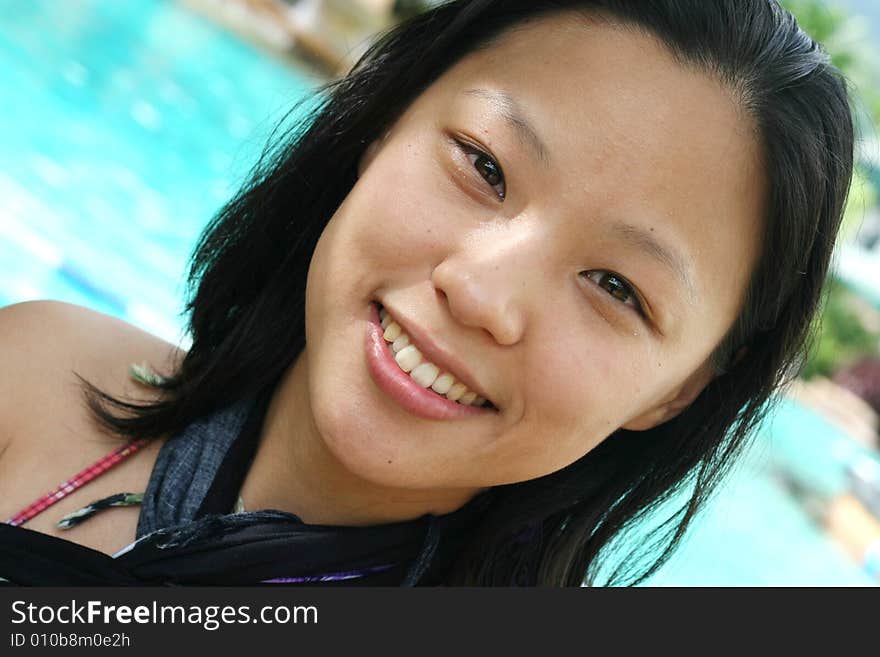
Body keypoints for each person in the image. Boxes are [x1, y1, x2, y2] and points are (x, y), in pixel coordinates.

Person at [0, 0, 855, 586]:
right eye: (484, 166)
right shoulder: (34, 375)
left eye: (615, 286)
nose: (483, 292)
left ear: (682, 389)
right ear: (383, 118)